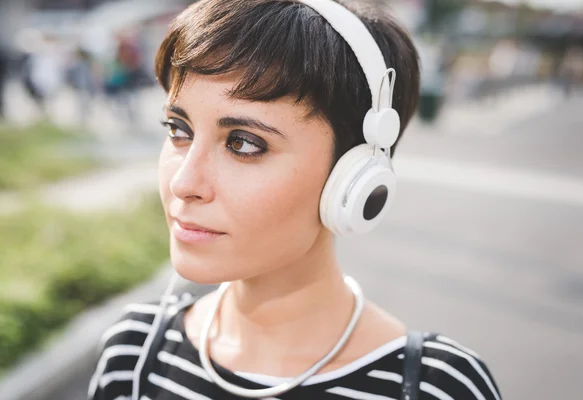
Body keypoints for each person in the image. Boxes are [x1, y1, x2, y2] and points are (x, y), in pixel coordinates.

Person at [89, 1, 502, 399]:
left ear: (352, 181)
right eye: (179, 129)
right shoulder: (136, 353)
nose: (183, 183)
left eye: (243, 143)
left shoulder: (435, 387)